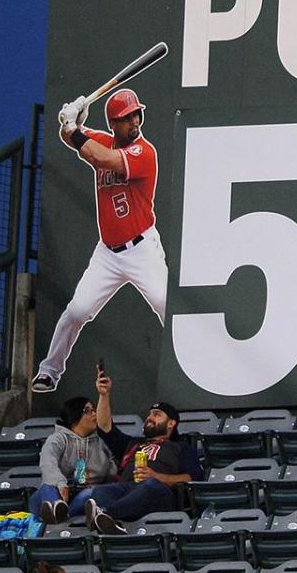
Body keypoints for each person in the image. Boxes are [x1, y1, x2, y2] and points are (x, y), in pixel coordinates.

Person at [31, 89, 168, 394]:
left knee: (165, 304)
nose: (133, 121)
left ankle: (188, 365)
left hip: (142, 248)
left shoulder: (144, 152)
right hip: (107, 252)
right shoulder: (104, 140)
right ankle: (49, 371)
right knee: (77, 310)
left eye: (135, 114)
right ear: (113, 124)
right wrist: (70, 122)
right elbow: (78, 141)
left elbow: (98, 156)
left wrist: (72, 130)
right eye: (125, 118)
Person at [83, 371, 203, 534]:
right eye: (149, 414)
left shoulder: (181, 447)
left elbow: (192, 477)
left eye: (157, 414)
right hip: (128, 489)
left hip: (160, 493)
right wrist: (104, 395)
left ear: (171, 423)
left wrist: (157, 476)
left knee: (150, 486)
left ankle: (107, 514)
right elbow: (105, 427)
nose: (150, 417)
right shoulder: (133, 443)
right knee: (100, 491)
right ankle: (112, 521)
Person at [30, 390, 117, 523]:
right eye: (88, 411)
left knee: (90, 495)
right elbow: (48, 463)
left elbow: (113, 473)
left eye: (94, 410)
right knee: (47, 487)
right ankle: (55, 508)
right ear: (74, 416)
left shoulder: (103, 441)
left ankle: (60, 516)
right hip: (57, 491)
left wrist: (95, 484)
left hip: (83, 496)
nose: (95, 414)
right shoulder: (58, 439)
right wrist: (61, 484)